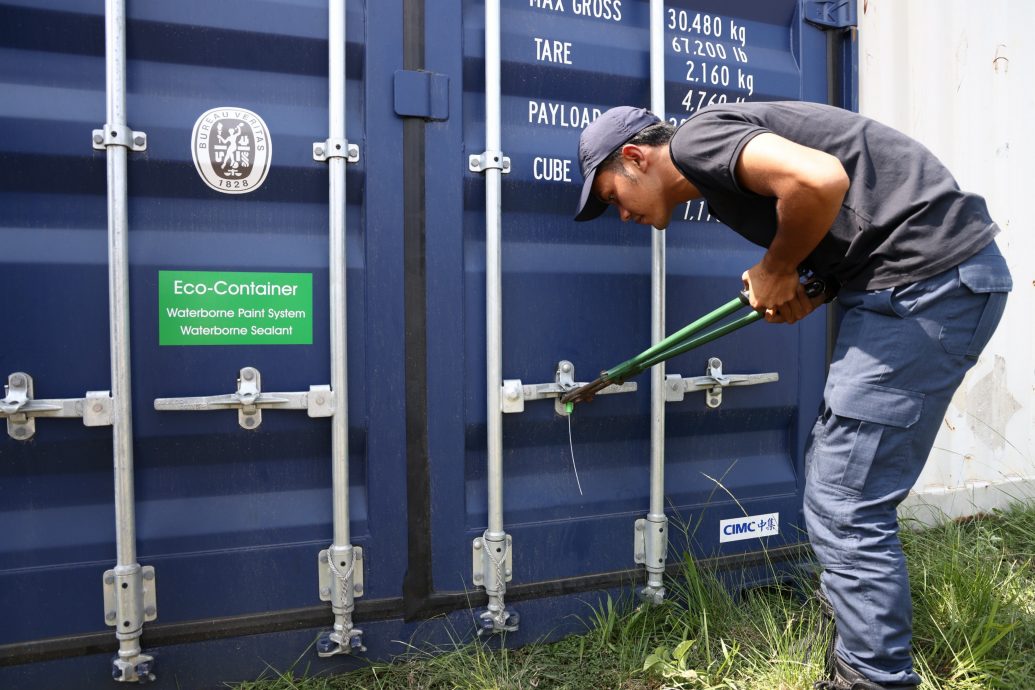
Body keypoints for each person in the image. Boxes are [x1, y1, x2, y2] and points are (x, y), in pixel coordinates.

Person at [574, 102, 1012, 690]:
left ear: (634, 157)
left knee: (846, 501)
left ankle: (872, 679)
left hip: (923, 285)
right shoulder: (716, 180)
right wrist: (815, 282)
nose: (618, 214)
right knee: (839, 485)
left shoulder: (697, 142)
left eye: (608, 195)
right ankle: (861, 653)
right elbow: (847, 209)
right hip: (917, 282)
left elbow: (820, 179)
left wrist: (778, 266)